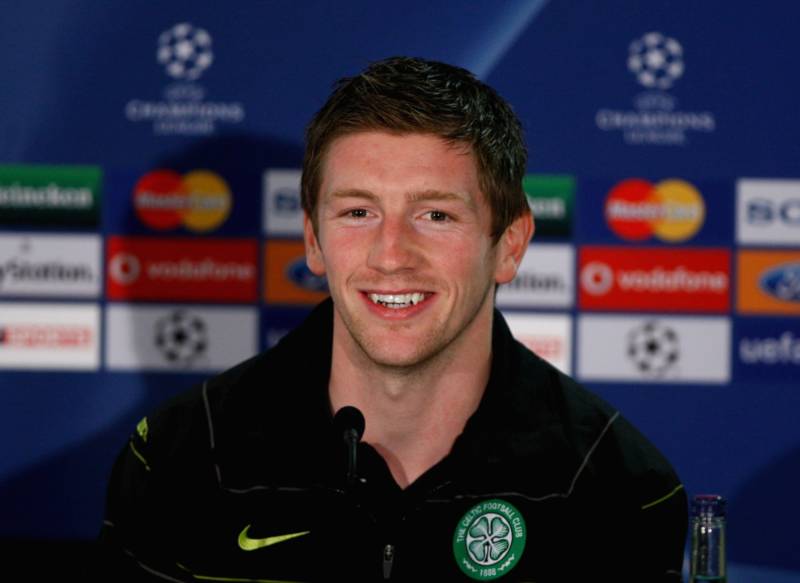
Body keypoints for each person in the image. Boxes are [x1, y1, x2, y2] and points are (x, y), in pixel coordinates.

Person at [100, 56, 687, 582]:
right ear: (313, 240)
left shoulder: (613, 487)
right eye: (359, 212)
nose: (391, 256)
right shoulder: (180, 461)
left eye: (435, 215)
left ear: (509, 245)